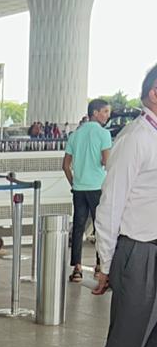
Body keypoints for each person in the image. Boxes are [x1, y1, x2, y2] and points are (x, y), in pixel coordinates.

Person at [83, 63, 157, 347]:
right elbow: (110, 205)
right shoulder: (135, 138)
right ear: (154, 93)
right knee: (125, 344)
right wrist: (106, 264)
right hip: (136, 250)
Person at [63, 99, 111, 281]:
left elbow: (65, 165)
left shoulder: (75, 135)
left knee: (78, 227)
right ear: (96, 113)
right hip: (97, 186)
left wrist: (73, 183)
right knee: (100, 227)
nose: (107, 115)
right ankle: (100, 265)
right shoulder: (104, 134)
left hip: (79, 188)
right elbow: (107, 161)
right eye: (105, 111)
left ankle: (77, 268)